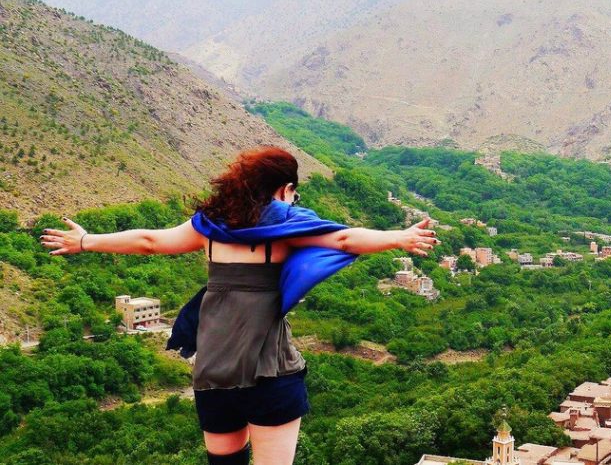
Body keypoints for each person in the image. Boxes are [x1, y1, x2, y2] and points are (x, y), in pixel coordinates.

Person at [39, 146, 439, 465]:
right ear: (284, 189)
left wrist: (86, 241)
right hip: (271, 372)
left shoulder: (210, 224)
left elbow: (150, 242)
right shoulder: (285, 225)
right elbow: (344, 240)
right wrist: (398, 237)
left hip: (214, 372)